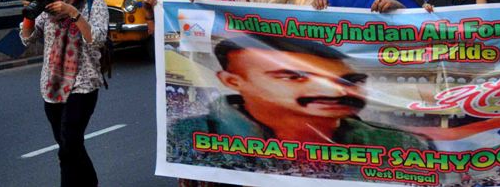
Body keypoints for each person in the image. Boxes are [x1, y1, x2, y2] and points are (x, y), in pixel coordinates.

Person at [169, 34, 431, 169]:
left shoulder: (400, 146)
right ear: (232, 81)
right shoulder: (193, 134)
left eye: (346, 80)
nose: (331, 89)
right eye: (294, 77)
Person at [19, 0, 108, 187]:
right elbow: (28, 39)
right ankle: (90, 182)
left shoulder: (94, 4)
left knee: (69, 143)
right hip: (52, 84)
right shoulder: (50, 4)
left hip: (83, 84)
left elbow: (96, 39)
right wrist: (29, 16)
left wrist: (72, 12)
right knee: (67, 145)